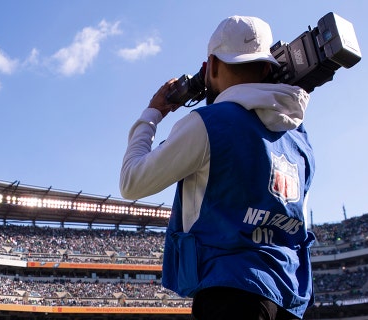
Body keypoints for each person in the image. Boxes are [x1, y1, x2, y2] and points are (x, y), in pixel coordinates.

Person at [120, 15, 315, 320]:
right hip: (290, 296)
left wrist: (153, 113)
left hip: (230, 293)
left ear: (211, 64)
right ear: (266, 67)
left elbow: (132, 181)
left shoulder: (209, 123)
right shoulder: (300, 139)